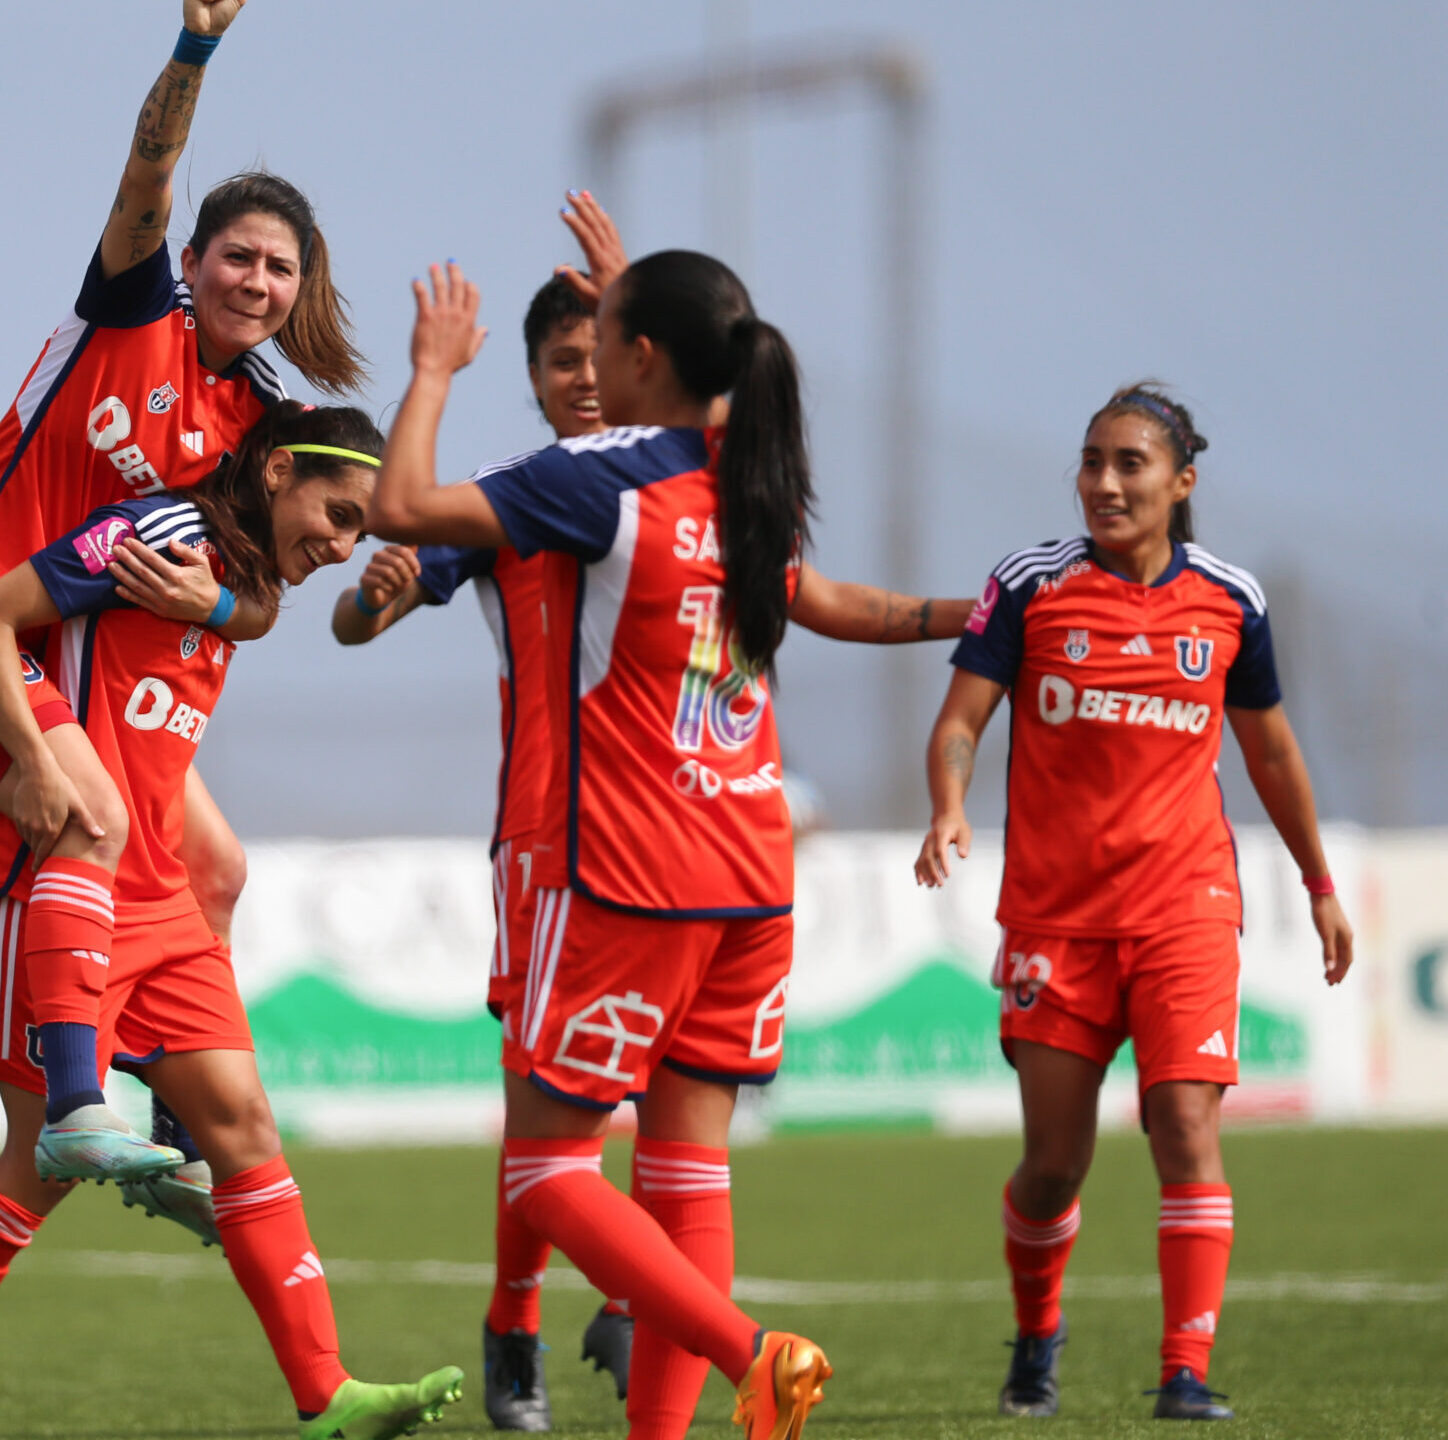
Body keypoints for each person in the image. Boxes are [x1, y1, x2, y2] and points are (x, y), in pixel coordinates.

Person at [340, 199, 970, 1437]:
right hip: (750, 873)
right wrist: (658, 309)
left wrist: (427, 371)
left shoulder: (591, 484)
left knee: (546, 1168)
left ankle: (751, 1351)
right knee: (689, 1175)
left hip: (624, 872)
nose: (583, 367)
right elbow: (796, 553)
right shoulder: (755, 485)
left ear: (638, 358)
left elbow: (401, 504)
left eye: (605, 340)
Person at [0, 402, 465, 1440]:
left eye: (360, 531)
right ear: (273, 473)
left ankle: (327, 1395)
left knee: (246, 1130)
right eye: (336, 513)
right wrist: (36, 767)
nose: (343, 543)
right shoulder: (156, 534)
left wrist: (227, 613)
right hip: (46, 883)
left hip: (161, 895)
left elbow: (217, 644)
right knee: (36, 1167)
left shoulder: (243, 584)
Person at [0, 0, 366, 1162]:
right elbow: (150, 167)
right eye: (236, 254)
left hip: (47, 641)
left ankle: (168, 1106)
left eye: (279, 267)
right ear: (189, 259)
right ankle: (79, 1109)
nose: (256, 279)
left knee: (217, 864)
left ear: (301, 289)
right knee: (86, 812)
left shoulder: (265, 425)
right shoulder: (131, 309)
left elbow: (266, 591)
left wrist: (220, 606)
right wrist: (193, 48)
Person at [915, 384, 1354, 1422]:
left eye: (1128, 464)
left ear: (1180, 482)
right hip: (1054, 922)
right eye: (1090, 461)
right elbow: (958, 722)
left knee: (1184, 1127)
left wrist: (1318, 882)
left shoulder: (1230, 601)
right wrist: (946, 807)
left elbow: (1272, 752)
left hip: (1186, 905)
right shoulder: (1029, 585)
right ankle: (1036, 1334)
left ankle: (1184, 1370)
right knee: (1051, 1170)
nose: (1103, 483)